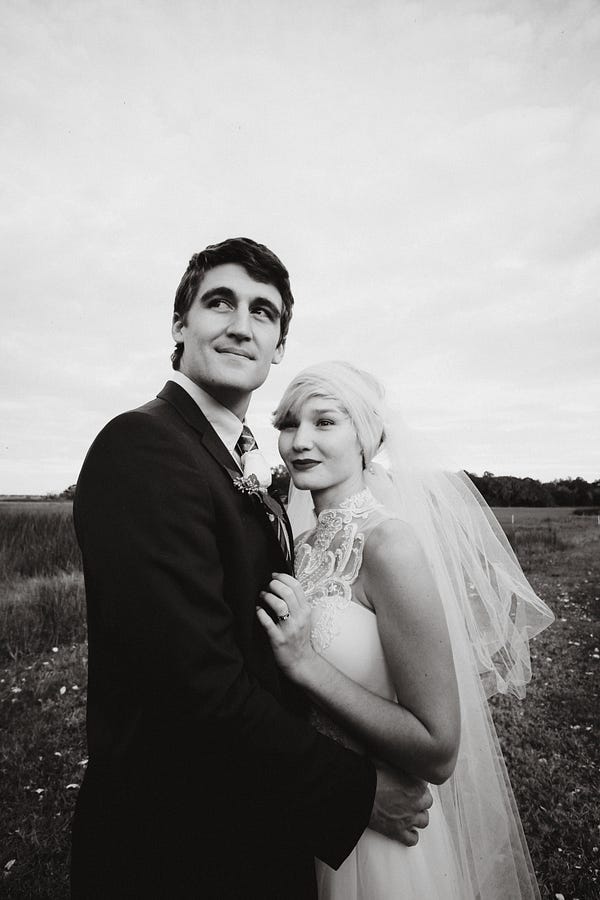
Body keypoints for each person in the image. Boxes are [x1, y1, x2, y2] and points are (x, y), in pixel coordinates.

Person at [70, 240, 432, 899]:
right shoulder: (143, 446)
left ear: (278, 345)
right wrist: (357, 790)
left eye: (263, 312)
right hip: (178, 853)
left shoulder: (227, 465)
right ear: (180, 326)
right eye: (219, 303)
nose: (242, 324)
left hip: (245, 829)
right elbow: (194, 689)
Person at [259, 360, 555, 900]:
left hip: (381, 836)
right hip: (318, 813)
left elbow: (438, 749)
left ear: (367, 436)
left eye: (325, 422)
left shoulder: (389, 545)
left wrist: (306, 664)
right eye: (288, 423)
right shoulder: (299, 547)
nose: (299, 440)